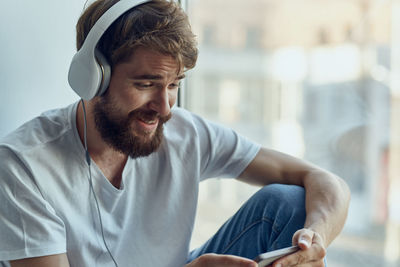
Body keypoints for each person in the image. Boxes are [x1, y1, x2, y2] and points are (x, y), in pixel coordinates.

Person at [0, 0, 350, 266]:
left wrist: (315, 238)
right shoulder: (23, 166)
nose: (164, 107)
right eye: (146, 84)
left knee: (287, 202)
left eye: (173, 85)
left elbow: (323, 180)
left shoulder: (186, 132)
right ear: (92, 77)